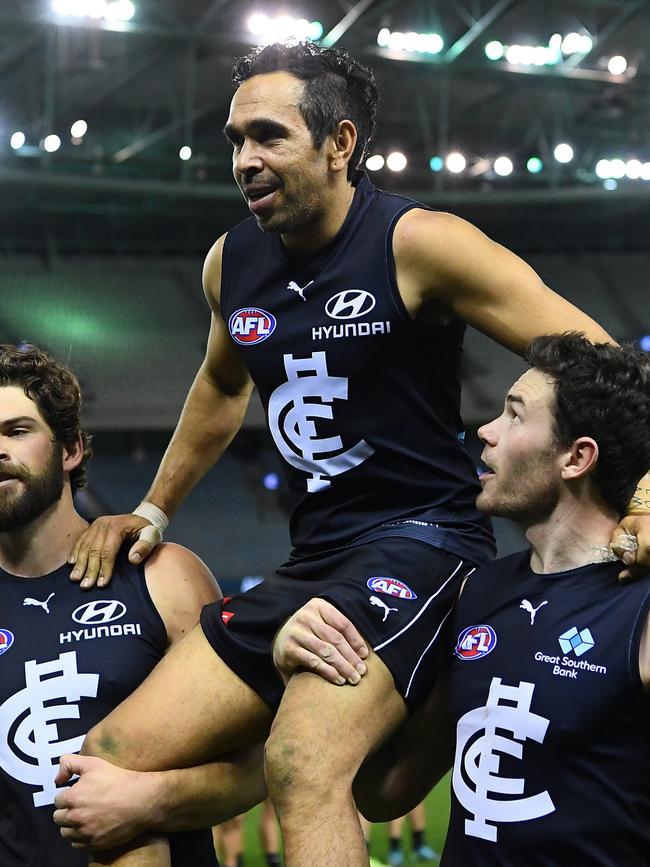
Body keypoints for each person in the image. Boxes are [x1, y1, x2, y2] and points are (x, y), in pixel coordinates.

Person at [62, 41, 650, 867]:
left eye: (268, 136)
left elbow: (602, 362)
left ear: (340, 144)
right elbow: (221, 388)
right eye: (234, 139)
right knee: (107, 760)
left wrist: (645, 492)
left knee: (305, 762)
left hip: (424, 543)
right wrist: (155, 507)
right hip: (314, 560)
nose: (244, 159)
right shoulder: (231, 262)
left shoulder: (422, 242)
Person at [277, 334, 650, 865]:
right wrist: (311, 661)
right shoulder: (478, 591)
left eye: (515, 416)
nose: (486, 431)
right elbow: (386, 791)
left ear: (576, 457)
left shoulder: (639, 606)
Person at [0, 343, 266, 866]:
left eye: (17, 431)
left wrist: (149, 802)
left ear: (70, 449)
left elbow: (260, 762)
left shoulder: (163, 578)